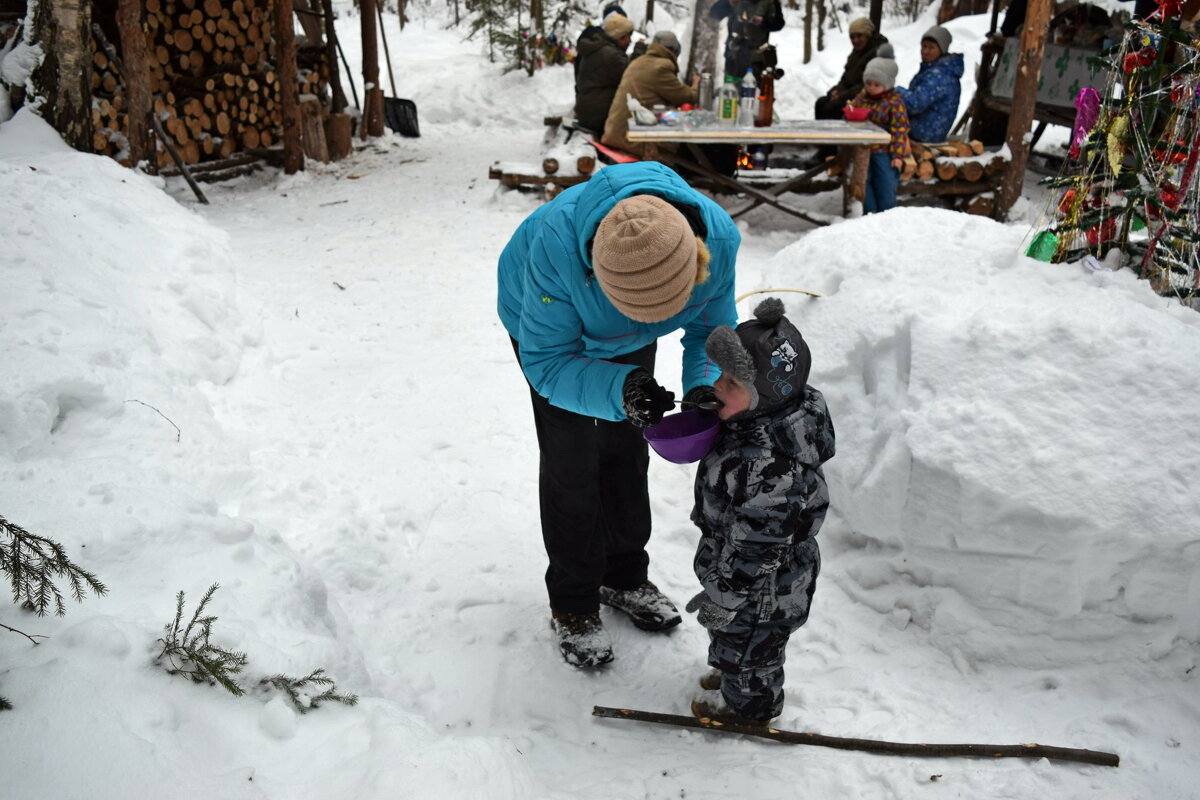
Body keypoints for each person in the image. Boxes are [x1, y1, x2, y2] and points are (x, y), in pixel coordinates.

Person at [497, 161, 741, 669]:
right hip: (549, 334)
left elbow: (711, 333)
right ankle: (573, 602)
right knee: (572, 462)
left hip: (617, 317)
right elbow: (548, 362)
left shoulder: (717, 238)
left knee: (627, 447)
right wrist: (619, 386)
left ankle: (625, 576)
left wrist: (701, 386)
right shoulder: (556, 252)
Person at [685, 297, 835, 726]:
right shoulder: (759, 420)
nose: (718, 388)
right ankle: (733, 671)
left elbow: (759, 547)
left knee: (752, 649)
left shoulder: (771, 468)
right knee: (735, 637)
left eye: (731, 383)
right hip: (739, 567)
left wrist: (725, 594)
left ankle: (748, 708)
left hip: (763, 587)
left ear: (765, 397)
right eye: (722, 376)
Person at [602, 30, 697, 158]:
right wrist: (698, 84)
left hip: (617, 132)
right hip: (634, 139)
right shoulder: (661, 67)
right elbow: (687, 97)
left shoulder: (638, 62)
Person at [850, 49, 909, 214]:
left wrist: (897, 155)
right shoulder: (863, 98)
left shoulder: (894, 102)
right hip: (864, 149)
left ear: (887, 84)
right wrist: (852, 109)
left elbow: (899, 129)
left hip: (885, 151)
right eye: (868, 83)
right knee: (864, 182)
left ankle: (886, 215)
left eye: (877, 85)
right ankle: (870, 213)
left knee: (885, 183)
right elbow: (852, 110)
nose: (871, 88)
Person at [897, 25, 964, 144]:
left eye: (931, 47)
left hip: (926, 133)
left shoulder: (940, 75)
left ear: (942, 49)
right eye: (924, 46)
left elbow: (915, 104)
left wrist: (896, 90)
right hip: (927, 129)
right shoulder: (936, 69)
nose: (925, 51)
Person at [813, 17, 888, 121]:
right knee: (821, 103)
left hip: (866, 99)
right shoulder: (856, 53)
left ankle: (834, 136)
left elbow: (867, 86)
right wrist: (837, 90)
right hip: (849, 95)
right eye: (852, 37)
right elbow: (846, 78)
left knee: (830, 109)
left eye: (859, 36)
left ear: (868, 35)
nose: (855, 40)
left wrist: (841, 95)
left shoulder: (878, 54)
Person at [574, 13, 633, 134]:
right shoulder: (610, 54)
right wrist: (639, 52)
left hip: (589, 113)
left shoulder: (600, 48)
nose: (629, 41)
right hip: (599, 117)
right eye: (625, 37)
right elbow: (632, 75)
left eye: (629, 36)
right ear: (616, 36)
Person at [709, 0, 782, 80]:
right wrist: (729, 2)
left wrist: (763, 22)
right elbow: (714, 13)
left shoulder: (770, 2)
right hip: (734, 57)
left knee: (756, 90)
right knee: (731, 89)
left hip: (758, 59)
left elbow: (778, 23)